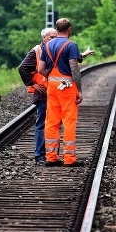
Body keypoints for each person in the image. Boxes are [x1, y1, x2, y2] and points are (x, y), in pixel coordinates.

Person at [37, 18, 89, 167]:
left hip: (52, 87)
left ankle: (51, 157)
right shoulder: (71, 45)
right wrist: (79, 90)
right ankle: (69, 158)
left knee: (52, 121)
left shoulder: (47, 45)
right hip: (66, 87)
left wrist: (51, 78)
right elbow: (74, 68)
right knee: (68, 121)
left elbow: (40, 69)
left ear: (56, 29)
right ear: (69, 29)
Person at [18, 27, 57, 164]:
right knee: (41, 124)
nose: (54, 40)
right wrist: (32, 84)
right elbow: (22, 68)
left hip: (55, 92)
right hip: (43, 93)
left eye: (55, 37)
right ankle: (39, 156)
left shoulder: (55, 49)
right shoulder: (37, 51)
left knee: (53, 124)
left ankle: (52, 155)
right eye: (51, 37)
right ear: (44, 38)